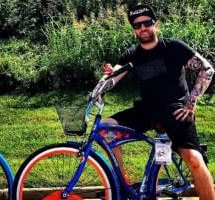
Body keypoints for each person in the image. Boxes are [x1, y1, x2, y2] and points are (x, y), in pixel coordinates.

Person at [91, 4, 215, 199]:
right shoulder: (132, 54)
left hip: (176, 110)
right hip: (147, 109)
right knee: (107, 129)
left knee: (194, 160)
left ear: (155, 25)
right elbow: (112, 76)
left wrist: (190, 103)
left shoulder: (173, 47)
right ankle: (122, 186)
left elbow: (207, 70)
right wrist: (99, 87)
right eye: (137, 25)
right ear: (134, 30)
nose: (143, 28)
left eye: (147, 23)